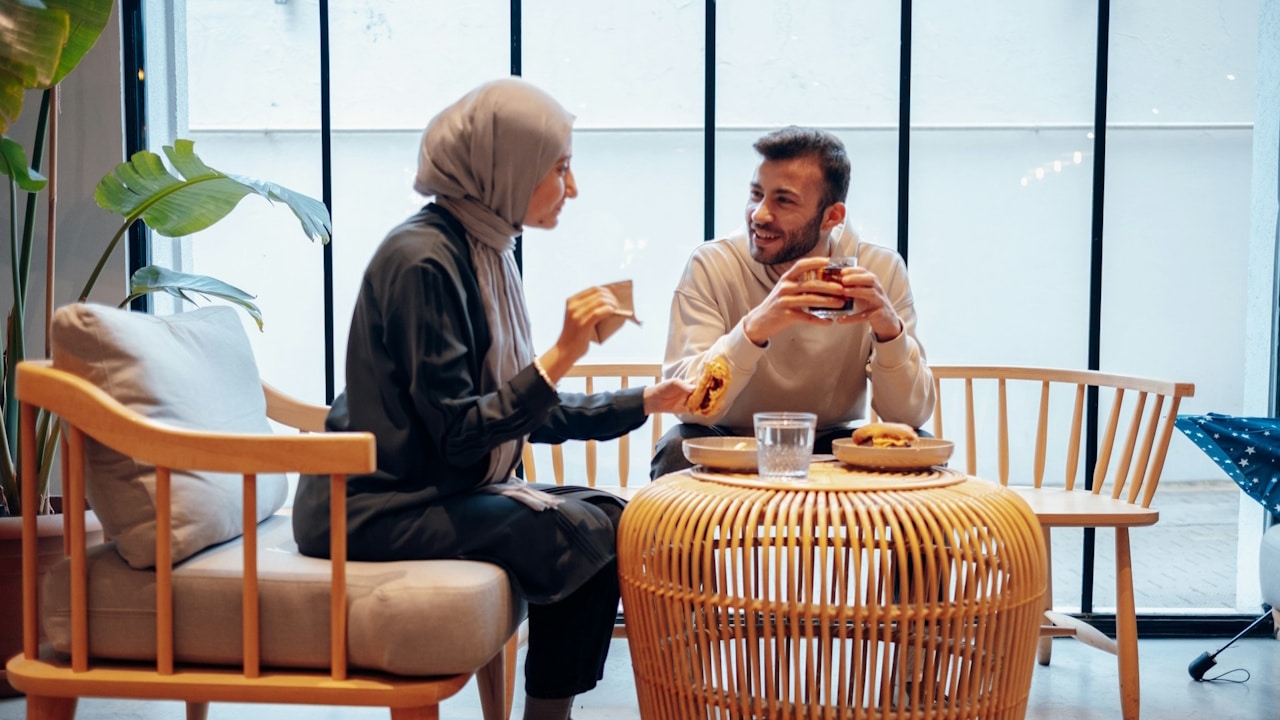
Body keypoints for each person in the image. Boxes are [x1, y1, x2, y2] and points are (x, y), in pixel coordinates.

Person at [291, 77, 691, 720]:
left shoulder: (484, 249)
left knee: (611, 516)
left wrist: (646, 399)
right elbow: (462, 433)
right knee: (596, 531)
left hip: (429, 487)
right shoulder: (423, 261)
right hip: (371, 505)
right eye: (560, 168)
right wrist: (562, 353)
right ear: (509, 168)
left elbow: (514, 410)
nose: (573, 187)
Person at [650, 125, 934, 479]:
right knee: (679, 448)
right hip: (732, 440)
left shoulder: (879, 269)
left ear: (832, 216)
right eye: (756, 194)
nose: (759, 214)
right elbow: (688, 404)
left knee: (920, 450)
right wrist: (756, 327)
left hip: (834, 441)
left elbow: (909, 417)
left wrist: (890, 332)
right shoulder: (713, 264)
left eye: (783, 200)